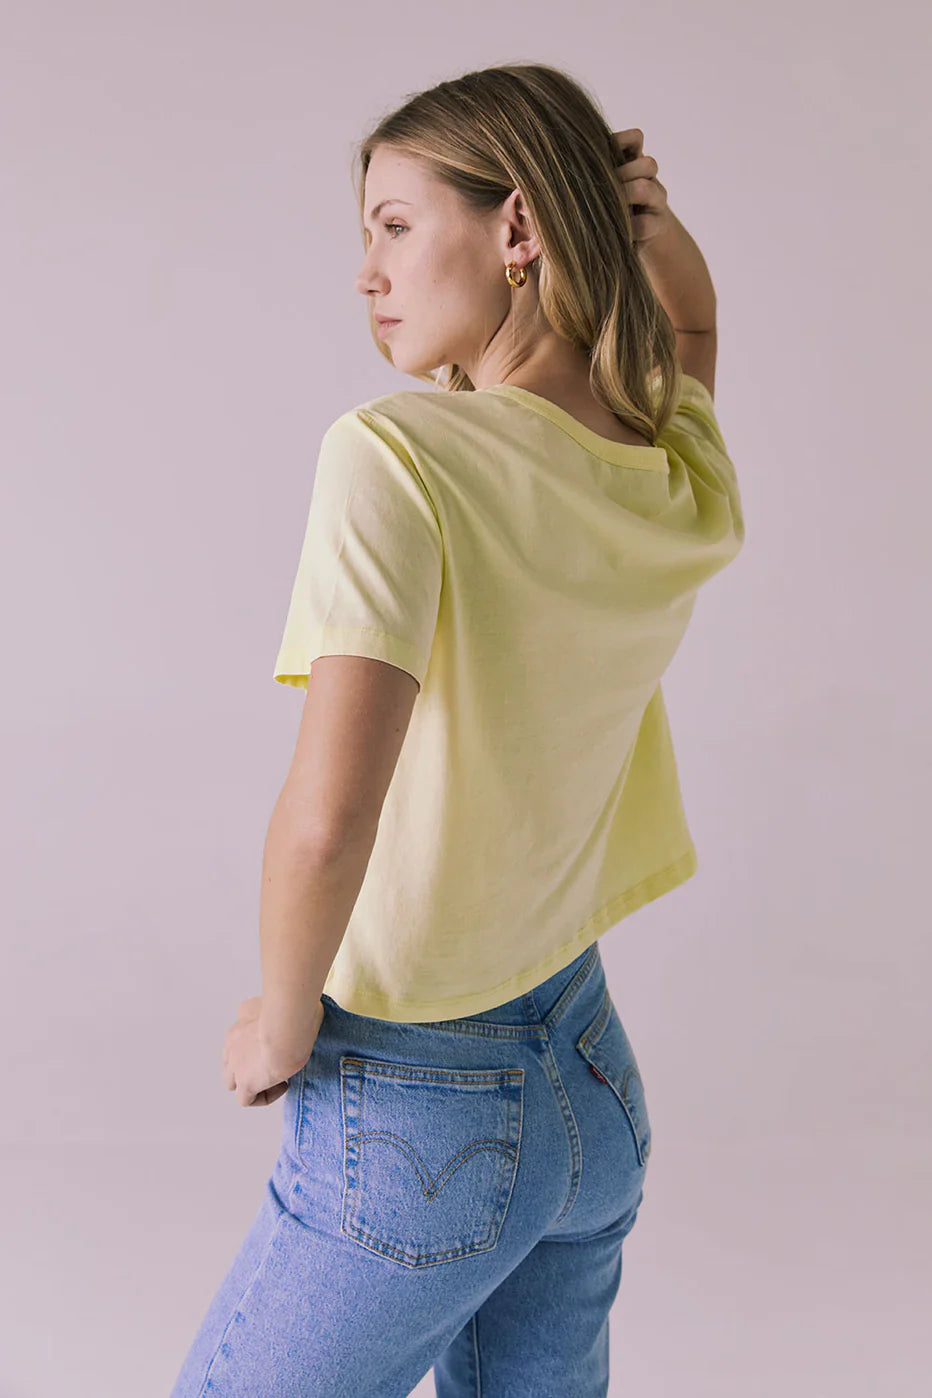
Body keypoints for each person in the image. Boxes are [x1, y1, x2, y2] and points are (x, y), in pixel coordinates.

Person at [170, 61, 745, 1397]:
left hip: (419, 1113)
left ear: (518, 226)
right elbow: (691, 337)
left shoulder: (400, 458)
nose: (366, 272)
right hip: (588, 1082)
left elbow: (330, 815)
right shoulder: (662, 465)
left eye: (393, 225)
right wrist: (655, 233)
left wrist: (282, 1022)